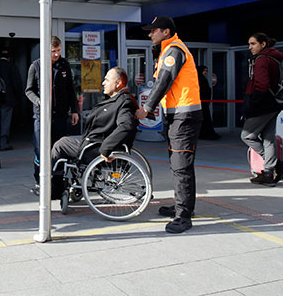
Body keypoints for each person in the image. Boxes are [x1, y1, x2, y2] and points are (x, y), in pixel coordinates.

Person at [135, 16, 202, 234]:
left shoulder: (174, 50)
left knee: (181, 165)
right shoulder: (167, 50)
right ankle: (183, 206)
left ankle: (183, 217)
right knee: (178, 164)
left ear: (166, 32)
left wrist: (147, 108)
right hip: (179, 115)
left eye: (153, 30)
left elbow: (164, 80)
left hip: (185, 115)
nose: (150, 34)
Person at [50, 67, 139, 196]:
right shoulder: (119, 100)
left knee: (60, 145)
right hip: (95, 143)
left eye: (107, 80)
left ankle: (56, 190)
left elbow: (126, 126)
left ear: (118, 83)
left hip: (97, 148)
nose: (103, 83)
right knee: (66, 141)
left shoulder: (124, 102)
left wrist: (106, 148)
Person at [26, 36, 79, 195]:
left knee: (59, 150)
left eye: (59, 50)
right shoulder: (36, 66)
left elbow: (71, 89)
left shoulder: (64, 65)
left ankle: (58, 183)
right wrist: (38, 101)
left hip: (60, 116)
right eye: (53, 51)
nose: (56, 54)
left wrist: (74, 110)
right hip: (41, 117)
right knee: (40, 151)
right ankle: (40, 183)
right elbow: (28, 90)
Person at [241, 32, 283, 186]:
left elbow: (262, 85)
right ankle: (268, 172)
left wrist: (253, 104)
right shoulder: (276, 58)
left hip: (263, 105)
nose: (250, 47)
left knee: (247, 136)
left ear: (263, 44)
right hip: (274, 103)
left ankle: (276, 164)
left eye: (253, 43)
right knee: (268, 138)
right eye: (249, 44)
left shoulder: (262, 59)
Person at [0, 49, 23, 151]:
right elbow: (17, 84)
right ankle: (3, 143)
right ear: (9, 58)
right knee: (5, 121)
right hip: (8, 99)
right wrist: (19, 97)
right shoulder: (12, 66)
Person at [197, 65, 221, 140]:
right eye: (205, 71)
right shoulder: (199, 79)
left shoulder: (202, 79)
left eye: (206, 71)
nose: (206, 72)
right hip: (201, 103)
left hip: (204, 103)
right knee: (204, 118)